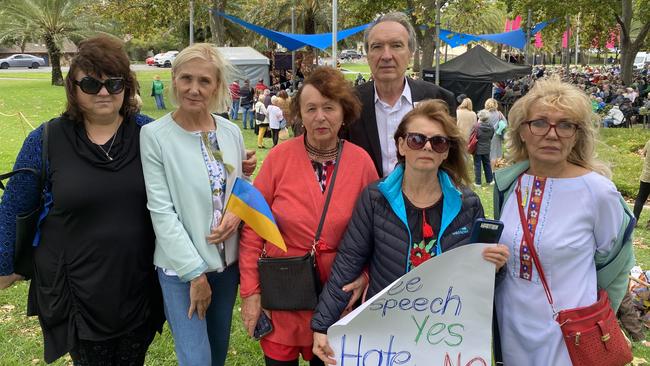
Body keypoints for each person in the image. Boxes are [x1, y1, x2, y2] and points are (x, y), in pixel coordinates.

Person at [0, 35, 165, 364]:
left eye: (114, 83)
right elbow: (14, 206)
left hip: (139, 284)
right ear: (73, 89)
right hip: (74, 288)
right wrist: (4, 264)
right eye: (90, 84)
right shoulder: (46, 139)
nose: (104, 92)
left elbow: (190, 175)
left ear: (127, 87)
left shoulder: (150, 133)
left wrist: (234, 164)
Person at [311, 100, 510, 363]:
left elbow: (476, 280)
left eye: (437, 142)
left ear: (445, 152)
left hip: (443, 335)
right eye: (417, 139)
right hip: (386, 336)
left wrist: (495, 268)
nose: (427, 146)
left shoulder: (468, 204)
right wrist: (322, 325)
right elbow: (348, 262)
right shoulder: (375, 198)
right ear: (401, 145)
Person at [239, 66, 379, 366]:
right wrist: (250, 293)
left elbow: (376, 231)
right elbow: (252, 230)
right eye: (311, 108)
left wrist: (365, 275)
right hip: (283, 294)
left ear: (344, 112)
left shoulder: (361, 162)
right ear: (299, 114)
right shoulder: (278, 158)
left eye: (329, 107)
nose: (320, 117)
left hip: (336, 298)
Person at [492, 76, 635, 365]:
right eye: (540, 122)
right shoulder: (508, 185)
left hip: (571, 334)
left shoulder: (597, 191)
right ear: (522, 131)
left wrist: (597, 319)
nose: (552, 134)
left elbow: (617, 265)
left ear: (577, 135)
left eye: (566, 125)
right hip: (512, 327)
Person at [140, 43, 248, 366]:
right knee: (196, 359)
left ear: (217, 86)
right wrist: (195, 275)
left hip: (226, 268)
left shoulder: (229, 131)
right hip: (181, 271)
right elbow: (162, 212)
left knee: (216, 354)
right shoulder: (155, 136)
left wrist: (237, 213)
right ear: (173, 79)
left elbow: (237, 186)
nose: (194, 89)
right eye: (186, 78)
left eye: (204, 81)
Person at [347, 11, 457, 178]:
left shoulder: (440, 100)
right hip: (366, 201)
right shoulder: (348, 103)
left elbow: (450, 165)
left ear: (411, 52)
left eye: (396, 45)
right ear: (367, 54)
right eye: (377, 47)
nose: (386, 56)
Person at [473, 109, 494, 186]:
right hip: (487, 148)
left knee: (477, 165)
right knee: (487, 164)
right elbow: (491, 137)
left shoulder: (476, 127)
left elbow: (473, 137)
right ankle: (490, 180)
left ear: (479, 117)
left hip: (478, 148)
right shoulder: (491, 127)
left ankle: (478, 182)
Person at [484, 98, 507, 167]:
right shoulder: (499, 114)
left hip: (486, 135)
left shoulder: (485, 114)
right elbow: (505, 123)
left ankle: (490, 169)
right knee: (497, 151)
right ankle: (497, 167)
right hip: (497, 134)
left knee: (489, 153)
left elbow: (480, 124)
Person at [633, 138, 650, 224]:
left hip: (646, 176)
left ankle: (634, 220)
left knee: (640, 198)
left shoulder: (649, 142)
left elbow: (643, 153)